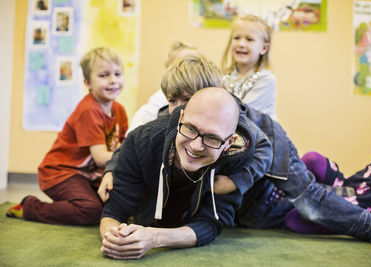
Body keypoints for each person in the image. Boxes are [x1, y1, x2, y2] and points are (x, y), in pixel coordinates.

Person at [100, 57, 371, 260]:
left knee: (309, 201)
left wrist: (236, 181)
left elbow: (263, 150)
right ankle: (322, 171)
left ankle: (369, 226)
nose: (177, 109)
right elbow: (134, 144)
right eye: (173, 102)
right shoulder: (172, 120)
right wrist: (113, 167)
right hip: (244, 175)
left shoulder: (244, 133)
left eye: (185, 101)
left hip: (275, 150)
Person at [100, 87, 271, 259]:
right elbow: (114, 211)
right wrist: (115, 239)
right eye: (190, 128)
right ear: (181, 117)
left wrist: (154, 238)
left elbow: (211, 223)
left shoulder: (235, 160)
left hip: (262, 206)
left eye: (212, 137)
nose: (195, 146)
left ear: (229, 142)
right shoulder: (141, 141)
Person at [6, 47, 128, 225]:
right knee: (90, 210)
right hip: (60, 173)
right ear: (87, 83)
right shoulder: (89, 111)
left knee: (117, 201)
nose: (113, 81)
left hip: (88, 175)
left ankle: (76, 201)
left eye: (117, 74)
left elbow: (123, 146)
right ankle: (29, 206)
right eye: (104, 75)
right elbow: (102, 158)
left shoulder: (120, 110)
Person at [285, 91, 371, 234]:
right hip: (347, 186)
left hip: (353, 207)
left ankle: (287, 200)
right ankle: (286, 189)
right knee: (312, 159)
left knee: (293, 218)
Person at [128, 41, 200, 132]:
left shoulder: (204, 93)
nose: (184, 71)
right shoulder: (160, 97)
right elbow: (144, 115)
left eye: (191, 66)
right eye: (178, 66)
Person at [221, 14, 277, 120]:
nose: (241, 44)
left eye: (249, 39)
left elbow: (243, 115)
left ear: (264, 48)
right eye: (237, 38)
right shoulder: (223, 76)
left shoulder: (266, 80)